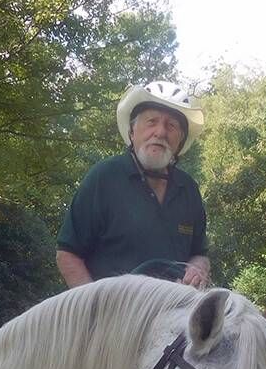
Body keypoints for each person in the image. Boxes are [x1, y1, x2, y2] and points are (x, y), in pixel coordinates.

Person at [56, 81, 209, 288]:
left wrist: (197, 269)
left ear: (180, 140)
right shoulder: (105, 177)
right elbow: (67, 254)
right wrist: (94, 308)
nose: (161, 132)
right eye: (151, 122)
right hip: (112, 313)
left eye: (171, 126)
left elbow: (199, 253)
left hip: (174, 313)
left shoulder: (188, 188)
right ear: (132, 132)